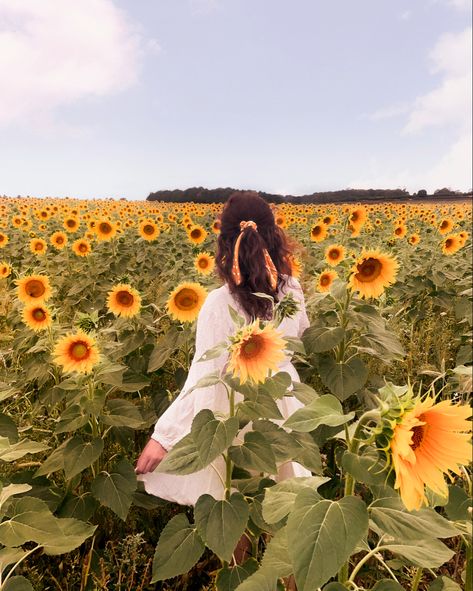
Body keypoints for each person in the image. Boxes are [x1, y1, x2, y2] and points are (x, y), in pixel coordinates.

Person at [134, 191, 310, 585]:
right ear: (274, 234)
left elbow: (203, 375)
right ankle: (291, 581)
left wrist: (164, 437)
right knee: (289, 507)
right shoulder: (291, 290)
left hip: (233, 414)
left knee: (233, 506)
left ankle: (239, 573)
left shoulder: (218, 304)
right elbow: (297, 338)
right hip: (281, 408)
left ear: (223, 242)